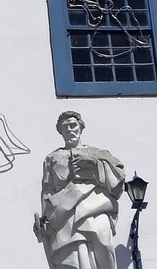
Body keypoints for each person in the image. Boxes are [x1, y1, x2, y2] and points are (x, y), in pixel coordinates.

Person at [34, 111, 127, 269]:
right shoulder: (52, 158)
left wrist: (94, 165)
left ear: (81, 128)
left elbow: (118, 180)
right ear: (60, 131)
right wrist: (44, 221)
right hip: (65, 215)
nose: (70, 130)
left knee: (104, 245)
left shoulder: (98, 153)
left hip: (96, 208)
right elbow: (47, 191)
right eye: (65, 127)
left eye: (73, 125)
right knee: (73, 258)